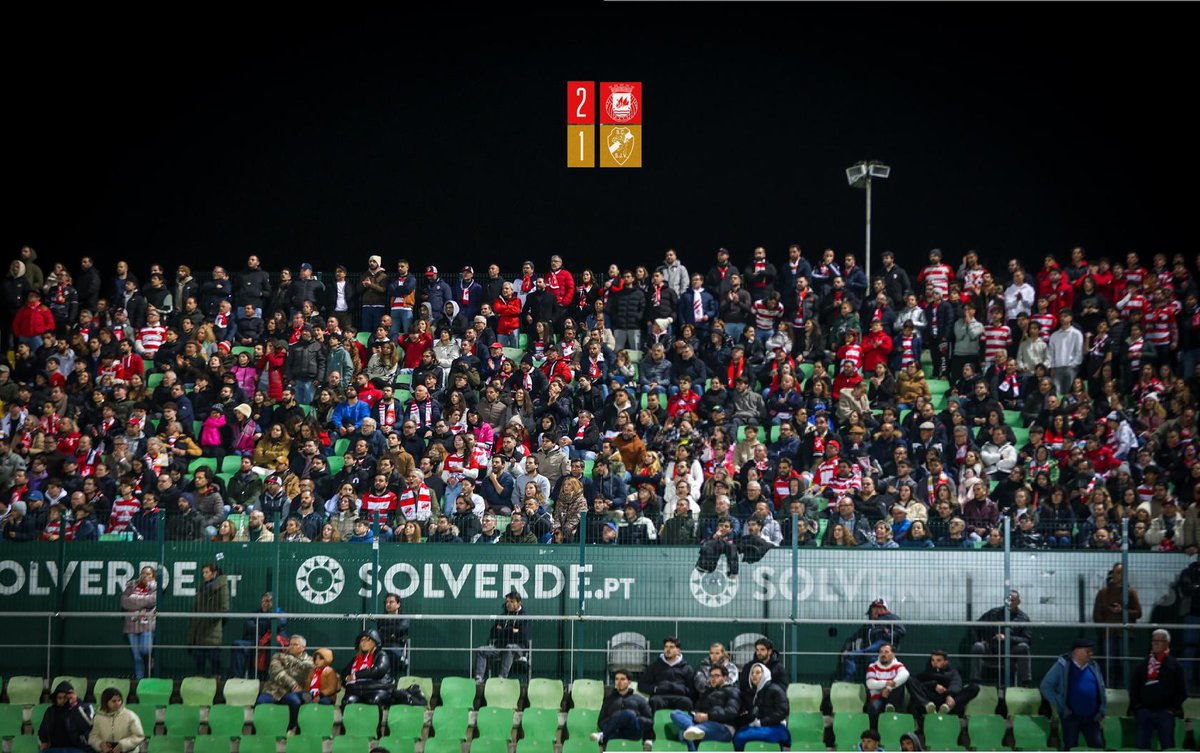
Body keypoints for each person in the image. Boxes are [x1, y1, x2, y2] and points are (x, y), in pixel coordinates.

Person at [1041, 638, 1107, 750]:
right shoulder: (1062, 666)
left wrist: (1102, 710)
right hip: (1071, 717)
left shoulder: (1094, 666)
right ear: (1077, 651)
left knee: (1097, 748)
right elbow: (1045, 686)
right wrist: (1060, 703)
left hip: (1092, 718)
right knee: (1070, 748)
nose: (1091, 653)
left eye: (1091, 651)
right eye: (1088, 651)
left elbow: (1101, 688)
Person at [1129, 629, 1187, 750]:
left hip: (1165, 713)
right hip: (1144, 713)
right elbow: (1133, 688)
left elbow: (1182, 691)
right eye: (1154, 640)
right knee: (1141, 747)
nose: (1155, 643)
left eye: (1159, 641)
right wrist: (1139, 707)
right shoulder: (1142, 665)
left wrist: (1171, 709)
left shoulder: (1175, 666)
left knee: (1167, 746)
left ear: (1167, 643)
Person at [969, 590, 1032, 687]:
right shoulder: (993, 613)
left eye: (1012, 600)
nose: (1009, 602)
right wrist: (980, 641)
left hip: (1011, 652)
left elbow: (1027, 640)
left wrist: (1007, 638)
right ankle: (974, 682)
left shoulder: (1023, 618)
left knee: (1024, 647)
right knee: (978, 646)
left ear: (1018, 602)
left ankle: (1026, 683)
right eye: (1007, 600)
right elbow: (975, 626)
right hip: (991, 649)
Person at [1093, 563, 1142, 688]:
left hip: (1124, 633)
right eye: (1117, 572)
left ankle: (1124, 687)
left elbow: (1138, 613)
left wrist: (1123, 611)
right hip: (1109, 633)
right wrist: (1105, 626)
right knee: (1109, 662)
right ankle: (1108, 687)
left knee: (1123, 662)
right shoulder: (1103, 593)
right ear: (1112, 574)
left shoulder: (1130, 592)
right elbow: (1097, 614)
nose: (1120, 575)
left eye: (1122, 573)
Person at [673, 664, 741, 751]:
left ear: (725, 678)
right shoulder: (706, 692)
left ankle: (693, 729)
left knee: (683, 734)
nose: (713, 678)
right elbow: (697, 709)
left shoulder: (733, 691)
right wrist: (696, 715)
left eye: (717, 676)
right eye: (711, 676)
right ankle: (693, 729)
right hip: (703, 724)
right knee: (676, 714)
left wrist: (708, 716)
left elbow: (731, 712)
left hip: (723, 727)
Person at [255, 634, 314, 732]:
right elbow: (276, 673)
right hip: (273, 691)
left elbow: (306, 672)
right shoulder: (278, 656)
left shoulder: (310, 661)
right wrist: (293, 684)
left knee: (294, 701)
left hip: (291, 693)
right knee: (260, 702)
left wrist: (289, 668)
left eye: (295, 644)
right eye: (290, 644)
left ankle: (290, 729)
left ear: (303, 647)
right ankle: (257, 732)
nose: (291, 647)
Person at [842, 598, 906, 681]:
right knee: (850, 655)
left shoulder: (891, 618)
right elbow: (852, 638)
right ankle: (848, 682)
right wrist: (846, 649)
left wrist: (888, 634)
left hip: (882, 652)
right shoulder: (868, 626)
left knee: (875, 651)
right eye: (874, 607)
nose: (876, 610)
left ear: (885, 609)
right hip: (868, 653)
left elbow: (902, 631)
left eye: (880, 607)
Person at [230, 591, 289, 681]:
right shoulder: (255, 613)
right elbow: (248, 626)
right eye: (263, 601)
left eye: (268, 601)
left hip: (269, 643)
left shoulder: (281, 613)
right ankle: (236, 678)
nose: (265, 604)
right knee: (237, 644)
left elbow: (275, 625)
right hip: (254, 642)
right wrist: (266, 624)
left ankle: (268, 679)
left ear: (274, 602)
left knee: (272, 646)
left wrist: (259, 623)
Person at [731, 662, 790, 751]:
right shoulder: (756, 693)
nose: (754, 675)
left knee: (740, 737)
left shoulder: (775, 690)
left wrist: (762, 722)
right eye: (752, 673)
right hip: (762, 726)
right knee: (739, 733)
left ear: (765, 674)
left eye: (758, 672)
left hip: (776, 727)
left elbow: (782, 711)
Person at [473, 590, 529, 682]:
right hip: (500, 646)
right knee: (481, 650)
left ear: (519, 603)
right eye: (507, 601)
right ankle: (478, 679)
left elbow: (521, 636)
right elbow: (493, 633)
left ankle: (501, 679)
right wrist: (511, 630)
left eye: (512, 601)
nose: (508, 604)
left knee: (509, 647)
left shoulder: (524, 617)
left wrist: (503, 630)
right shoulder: (503, 616)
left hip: (518, 647)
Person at [907, 649, 979, 717]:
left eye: (938, 660)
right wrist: (933, 685)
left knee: (974, 687)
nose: (935, 662)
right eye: (933, 660)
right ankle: (927, 705)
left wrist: (949, 695)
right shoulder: (925, 673)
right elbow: (918, 685)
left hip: (946, 701)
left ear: (945, 662)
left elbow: (956, 684)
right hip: (929, 700)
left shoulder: (952, 673)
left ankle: (947, 708)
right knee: (910, 680)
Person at [187, 562, 229, 676]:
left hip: (212, 629)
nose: (204, 575)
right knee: (199, 661)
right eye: (203, 572)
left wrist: (210, 619)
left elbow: (225, 608)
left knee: (214, 660)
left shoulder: (221, 587)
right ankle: (199, 682)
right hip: (199, 629)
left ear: (214, 573)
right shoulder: (203, 587)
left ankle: (216, 682)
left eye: (207, 572)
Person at [591, 669, 653, 744]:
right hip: (615, 732)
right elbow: (601, 721)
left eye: (622, 679)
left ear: (629, 682)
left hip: (632, 732)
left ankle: (603, 735)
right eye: (616, 679)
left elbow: (649, 720)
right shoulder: (609, 700)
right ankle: (605, 736)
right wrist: (615, 719)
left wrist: (636, 719)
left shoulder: (639, 699)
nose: (619, 682)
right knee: (613, 734)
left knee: (629, 714)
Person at [120, 565, 157, 681]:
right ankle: (138, 681)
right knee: (137, 657)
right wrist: (143, 603)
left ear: (153, 576)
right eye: (143, 573)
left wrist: (133, 599)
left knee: (145, 650)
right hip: (131, 625)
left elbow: (152, 601)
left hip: (147, 624)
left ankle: (151, 661)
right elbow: (124, 602)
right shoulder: (131, 585)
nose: (145, 576)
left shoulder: (155, 587)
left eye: (148, 574)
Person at [341, 628, 394, 706]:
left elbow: (378, 670)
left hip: (376, 690)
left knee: (373, 701)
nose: (364, 643)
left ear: (375, 642)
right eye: (362, 640)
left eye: (368, 640)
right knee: (347, 702)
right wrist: (347, 678)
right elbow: (344, 674)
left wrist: (355, 675)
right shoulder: (355, 659)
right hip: (356, 691)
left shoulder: (381, 655)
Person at [642, 636, 696, 712]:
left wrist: (681, 689)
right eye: (666, 647)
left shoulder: (687, 668)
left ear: (678, 650)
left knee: (687, 702)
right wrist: (655, 689)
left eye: (671, 647)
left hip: (680, 697)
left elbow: (692, 690)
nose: (668, 649)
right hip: (660, 697)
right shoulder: (654, 666)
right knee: (654, 701)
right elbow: (642, 684)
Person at [38, 681, 95, 752]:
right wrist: (44, 741)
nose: (62, 700)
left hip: (78, 748)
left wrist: (75, 707)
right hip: (54, 748)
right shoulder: (51, 711)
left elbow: (89, 727)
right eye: (59, 698)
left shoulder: (85, 707)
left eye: (65, 697)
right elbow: (43, 730)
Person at [88, 687, 146, 753]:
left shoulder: (130, 715)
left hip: (129, 751)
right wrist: (101, 744)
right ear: (106, 702)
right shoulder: (98, 717)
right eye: (114, 701)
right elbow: (93, 737)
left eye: (119, 700)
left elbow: (139, 736)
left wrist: (122, 745)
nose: (118, 703)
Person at [865, 643, 908, 730]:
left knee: (901, 683)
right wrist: (886, 683)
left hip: (894, 697)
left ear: (893, 654)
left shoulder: (898, 665)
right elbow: (870, 683)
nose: (883, 654)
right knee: (873, 707)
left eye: (886, 652)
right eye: (881, 652)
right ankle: (874, 733)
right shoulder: (872, 666)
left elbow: (905, 674)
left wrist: (888, 688)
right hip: (879, 697)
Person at [374, 592, 411, 679]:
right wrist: (392, 633)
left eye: (391, 602)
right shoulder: (381, 618)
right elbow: (380, 632)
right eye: (386, 602)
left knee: (392, 654)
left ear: (398, 604)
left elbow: (401, 628)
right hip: (383, 645)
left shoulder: (404, 618)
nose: (388, 604)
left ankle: (391, 678)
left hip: (397, 646)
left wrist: (386, 630)